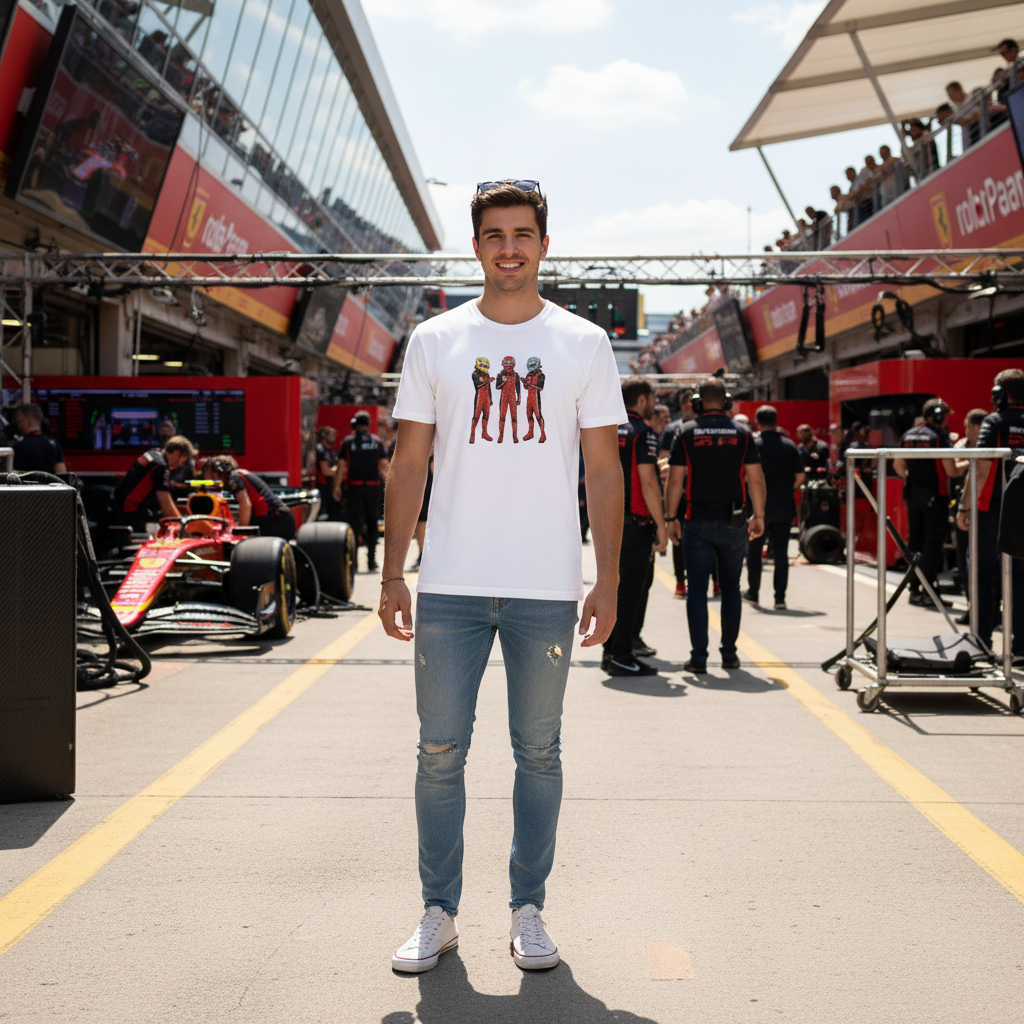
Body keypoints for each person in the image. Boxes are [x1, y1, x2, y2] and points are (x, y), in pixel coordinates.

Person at [379, 179, 626, 974]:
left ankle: (528, 909)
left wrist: (608, 579)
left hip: (545, 586)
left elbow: (604, 469)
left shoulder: (584, 342)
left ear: (545, 245)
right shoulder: (435, 340)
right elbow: (408, 461)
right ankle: (438, 912)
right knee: (439, 753)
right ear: (476, 244)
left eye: (523, 234)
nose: (509, 248)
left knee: (539, 753)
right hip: (449, 584)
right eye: (495, 235)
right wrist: (391, 574)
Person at [664, 377, 766, 673]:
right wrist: (758, 515)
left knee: (696, 590)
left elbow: (675, 480)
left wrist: (671, 518)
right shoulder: (743, 433)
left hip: (696, 521)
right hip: (734, 521)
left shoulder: (686, 432)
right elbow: (756, 478)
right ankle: (730, 655)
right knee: (731, 587)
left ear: (698, 402)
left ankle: (698, 658)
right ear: (727, 402)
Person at [602, 376, 668, 676]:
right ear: (642, 400)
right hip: (635, 523)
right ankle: (621, 655)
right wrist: (662, 526)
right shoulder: (643, 432)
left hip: (607, 520)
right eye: (651, 399)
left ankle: (609, 651)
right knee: (630, 593)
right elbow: (650, 483)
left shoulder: (606, 427)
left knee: (612, 588)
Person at [957, 369, 1024, 657]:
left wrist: (965, 505)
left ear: (1001, 395)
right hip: (1023, 508)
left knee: (983, 573)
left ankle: (982, 642)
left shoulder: (994, 421)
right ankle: (1021, 647)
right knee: (1021, 575)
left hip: (992, 508)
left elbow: (981, 466)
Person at [894, 399, 959, 608]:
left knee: (915, 542)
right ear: (938, 415)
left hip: (913, 496)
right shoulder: (939, 437)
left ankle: (914, 589)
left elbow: (898, 465)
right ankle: (929, 590)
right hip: (936, 497)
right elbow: (951, 470)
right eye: (945, 415)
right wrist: (968, 463)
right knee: (932, 545)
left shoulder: (908, 435)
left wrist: (912, 478)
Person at [744, 406, 804, 610]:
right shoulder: (789, 445)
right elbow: (800, 476)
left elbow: (744, 475)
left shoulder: (753, 444)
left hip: (758, 507)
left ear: (757, 422)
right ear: (776, 421)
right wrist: (788, 489)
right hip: (783, 506)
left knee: (754, 551)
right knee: (780, 552)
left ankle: (753, 593)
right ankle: (779, 598)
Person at [334, 411, 388, 571]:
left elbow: (341, 465)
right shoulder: (377, 441)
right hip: (373, 488)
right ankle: (371, 561)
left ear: (355, 424)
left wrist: (336, 487)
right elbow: (384, 465)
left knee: (354, 525)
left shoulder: (348, 442)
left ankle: (354, 562)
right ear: (368, 424)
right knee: (373, 524)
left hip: (354, 488)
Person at [114, 435, 195, 531]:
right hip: (129, 511)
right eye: (184, 457)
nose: (183, 462)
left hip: (119, 505)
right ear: (177, 453)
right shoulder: (160, 467)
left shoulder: (153, 453)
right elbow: (167, 507)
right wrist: (185, 529)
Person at [658, 389, 695, 598]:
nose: (691, 405)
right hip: (678, 491)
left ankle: (716, 581)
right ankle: (681, 582)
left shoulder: (703, 427)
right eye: (688, 402)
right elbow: (663, 461)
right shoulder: (672, 429)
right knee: (678, 539)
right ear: (682, 405)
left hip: (700, 491)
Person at [952, 408, 987, 623]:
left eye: (967, 425)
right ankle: (972, 607)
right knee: (965, 560)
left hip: (986, 509)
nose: (965, 430)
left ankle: (991, 609)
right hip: (964, 507)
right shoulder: (961, 445)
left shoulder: (992, 442)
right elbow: (953, 468)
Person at [208, 455, 295, 539]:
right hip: (279, 518)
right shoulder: (239, 474)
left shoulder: (235, 478)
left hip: (275, 520)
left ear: (221, 471)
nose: (215, 478)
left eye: (214, 474)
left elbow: (245, 503)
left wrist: (241, 532)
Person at [12, 403, 66, 474]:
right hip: (51, 484)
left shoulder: (20, 447)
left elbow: (16, 477)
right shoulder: (54, 444)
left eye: (19, 421)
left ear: (26, 420)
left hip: (29, 485)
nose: (18, 425)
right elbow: (61, 473)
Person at [314, 426, 341, 521]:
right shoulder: (320, 449)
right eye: (332, 435)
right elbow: (326, 471)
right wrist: (340, 469)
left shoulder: (328, 451)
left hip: (328, 485)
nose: (334, 438)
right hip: (322, 486)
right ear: (325, 436)